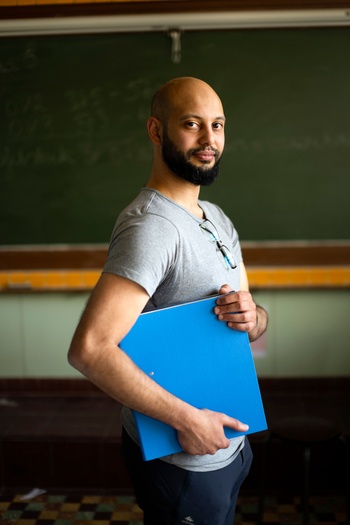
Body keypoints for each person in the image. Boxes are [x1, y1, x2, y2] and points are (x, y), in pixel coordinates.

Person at [68, 76, 268, 525]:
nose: (209, 139)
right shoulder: (152, 227)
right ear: (156, 131)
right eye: (192, 124)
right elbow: (91, 349)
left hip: (229, 444)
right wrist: (187, 421)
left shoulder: (214, 217)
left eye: (217, 126)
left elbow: (251, 324)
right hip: (184, 457)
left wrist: (254, 317)